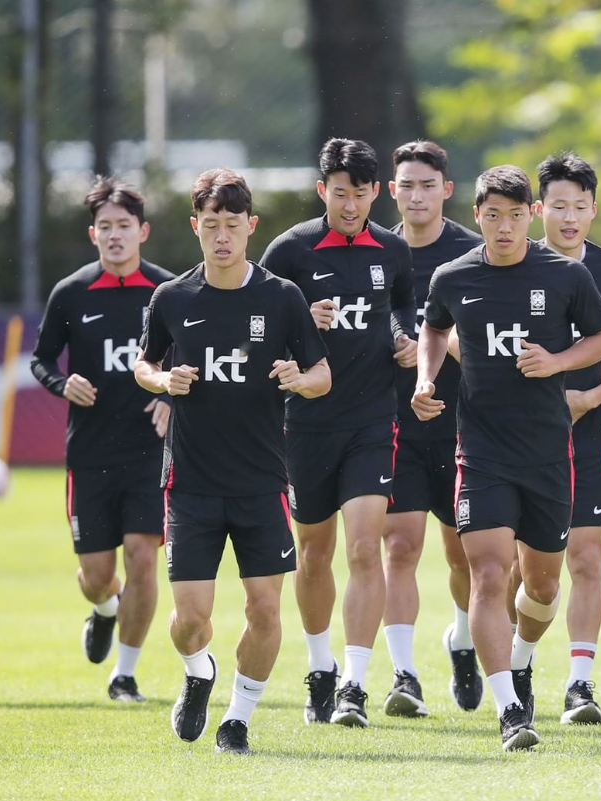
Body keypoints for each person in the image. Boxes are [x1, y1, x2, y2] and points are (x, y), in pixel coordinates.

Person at [413, 165, 601, 751]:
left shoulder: (564, 275)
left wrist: (557, 362)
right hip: (480, 451)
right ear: (477, 216)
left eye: (514, 214)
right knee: (490, 573)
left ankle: (522, 658)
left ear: (531, 216)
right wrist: (426, 379)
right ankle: (510, 712)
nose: (503, 226)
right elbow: (433, 329)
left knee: (544, 583)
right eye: (491, 215)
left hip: (549, 452)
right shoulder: (453, 276)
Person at [134, 168, 330, 754]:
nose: (222, 236)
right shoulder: (172, 298)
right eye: (210, 225)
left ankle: (239, 718)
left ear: (251, 227)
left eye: (232, 225)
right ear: (195, 227)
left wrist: (301, 378)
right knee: (191, 620)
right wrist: (164, 379)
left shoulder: (281, 297)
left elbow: (322, 374)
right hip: (190, 482)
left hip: (262, 480)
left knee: (265, 609)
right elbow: (142, 366)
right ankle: (199, 673)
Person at [261, 138, 416, 727]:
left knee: (362, 547)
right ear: (321, 189)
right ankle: (320, 665)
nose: (350, 205)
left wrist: (405, 344)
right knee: (314, 551)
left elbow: (404, 310)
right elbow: (259, 326)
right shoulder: (289, 251)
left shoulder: (393, 251)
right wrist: (300, 320)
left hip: (373, 421)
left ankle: (354, 683)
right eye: (339, 193)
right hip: (304, 423)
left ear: (377, 192)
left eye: (361, 193)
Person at [31, 176, 175, 702]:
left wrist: (169, 396)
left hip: (148, 453)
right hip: (89, 453)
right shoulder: (70, 293)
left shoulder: (167, 291)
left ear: (143, 230)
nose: (116, 235)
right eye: (106, 227)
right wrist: (60, 382)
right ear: (93, 234)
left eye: (125, 226)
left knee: (143, 555)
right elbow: (41, 358)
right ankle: (103, 607)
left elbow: (195, 354)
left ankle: (126, 674)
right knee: (97, 575)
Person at [384, 140, 484, 715]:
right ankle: (403, 675)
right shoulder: (371, 253)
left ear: (447, 190)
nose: (415, 195)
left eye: (428, 185)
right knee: (399, 545)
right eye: (406, 185)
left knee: (464, 556)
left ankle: (464, 642)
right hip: (391, 423)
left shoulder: (474, 256)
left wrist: (437, 350)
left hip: (462, 424)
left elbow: (489, 346)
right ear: (391, 190)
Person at [530, 153, 601, 724]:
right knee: (532, 575)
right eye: (557, 206)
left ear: (592, 209)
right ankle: (517, 663)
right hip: (517, 445)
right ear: (538, 209)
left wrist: (587, 399)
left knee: (586, 559)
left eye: (578, 207)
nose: (568, 217)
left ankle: (579, 686)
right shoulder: (512, 266)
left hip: (588, 437)